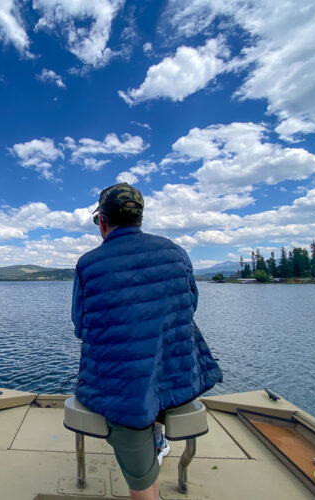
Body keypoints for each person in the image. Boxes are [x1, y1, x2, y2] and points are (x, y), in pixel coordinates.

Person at [71, 183, 222, 500]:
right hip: (179, 378)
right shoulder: (176, 252)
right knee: (151, 373)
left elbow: (82, 326)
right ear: (140, 219)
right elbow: (189, 307)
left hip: (127, 394)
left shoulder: (87, 265)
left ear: (102, 223)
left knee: (141, 485)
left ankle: (145, 464)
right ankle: (158, 440)